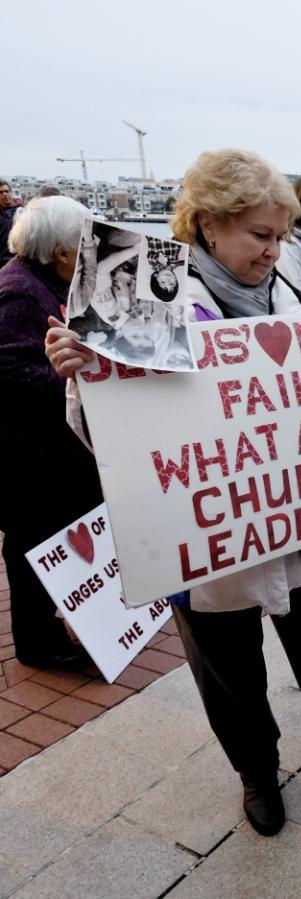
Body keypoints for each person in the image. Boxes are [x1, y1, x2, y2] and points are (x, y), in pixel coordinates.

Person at [46, 148, 301, 837]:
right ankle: (257, 771)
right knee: (228, 674)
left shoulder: (296, 281)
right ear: (210, 224)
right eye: (260, 235)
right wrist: (86, 374)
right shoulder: (140, 288)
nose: (275, 251)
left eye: (281, 236)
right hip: (206, 543)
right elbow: (117, 438)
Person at [0, 196, 103, 668]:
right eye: (86, 240)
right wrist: (80, 378)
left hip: (43, 448)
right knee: (30, 543)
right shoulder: (20, 290)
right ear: (62, 251)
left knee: (48, 537)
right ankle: (39, 645)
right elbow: (10, 370)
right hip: (27, 453)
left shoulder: (40, 278)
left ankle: (57, 630)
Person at [0, 180, 22, 268]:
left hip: (20, 261)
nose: (5, 194)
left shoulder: (23, 211)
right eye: (0, 192)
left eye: (6, 191)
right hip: (2, 262)